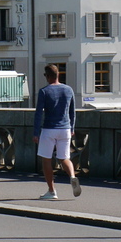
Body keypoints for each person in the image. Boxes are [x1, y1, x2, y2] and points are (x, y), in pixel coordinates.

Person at [34, 63, 81, 200]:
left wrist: (36, 133)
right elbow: (72, 112)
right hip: (65, 129)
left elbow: (38, 114)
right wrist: (72, 128)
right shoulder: (68, 90)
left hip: (49, 129)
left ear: (48, 76)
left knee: (46, 159)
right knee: (64, 157)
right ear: (58, 75)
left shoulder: (44, 91)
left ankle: (52, 191)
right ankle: (72, 176)